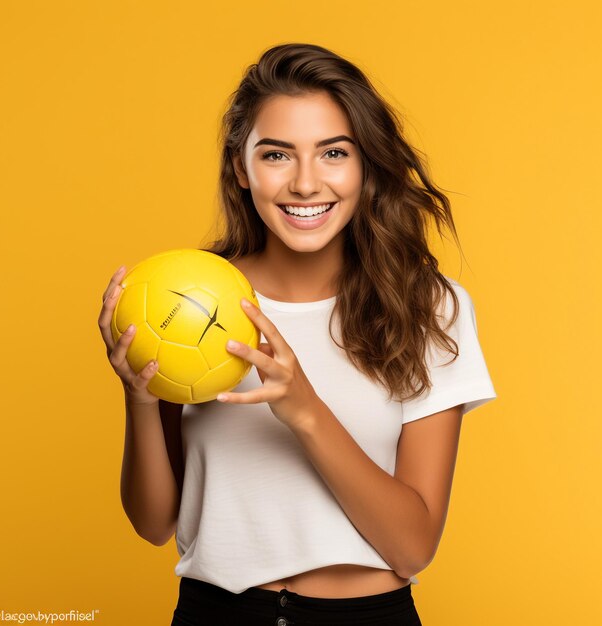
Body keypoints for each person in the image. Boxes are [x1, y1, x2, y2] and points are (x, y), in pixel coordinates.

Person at [98, 43, 497, 626]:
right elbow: (154, 523)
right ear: (242, 166)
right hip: (216, 612)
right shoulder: (190, 298)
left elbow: (413, 547)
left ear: (365, 165)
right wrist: (137, 394)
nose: (306, 184)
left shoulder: (428, 307)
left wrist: (303, 409)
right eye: (277, 155)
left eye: (333, 153)